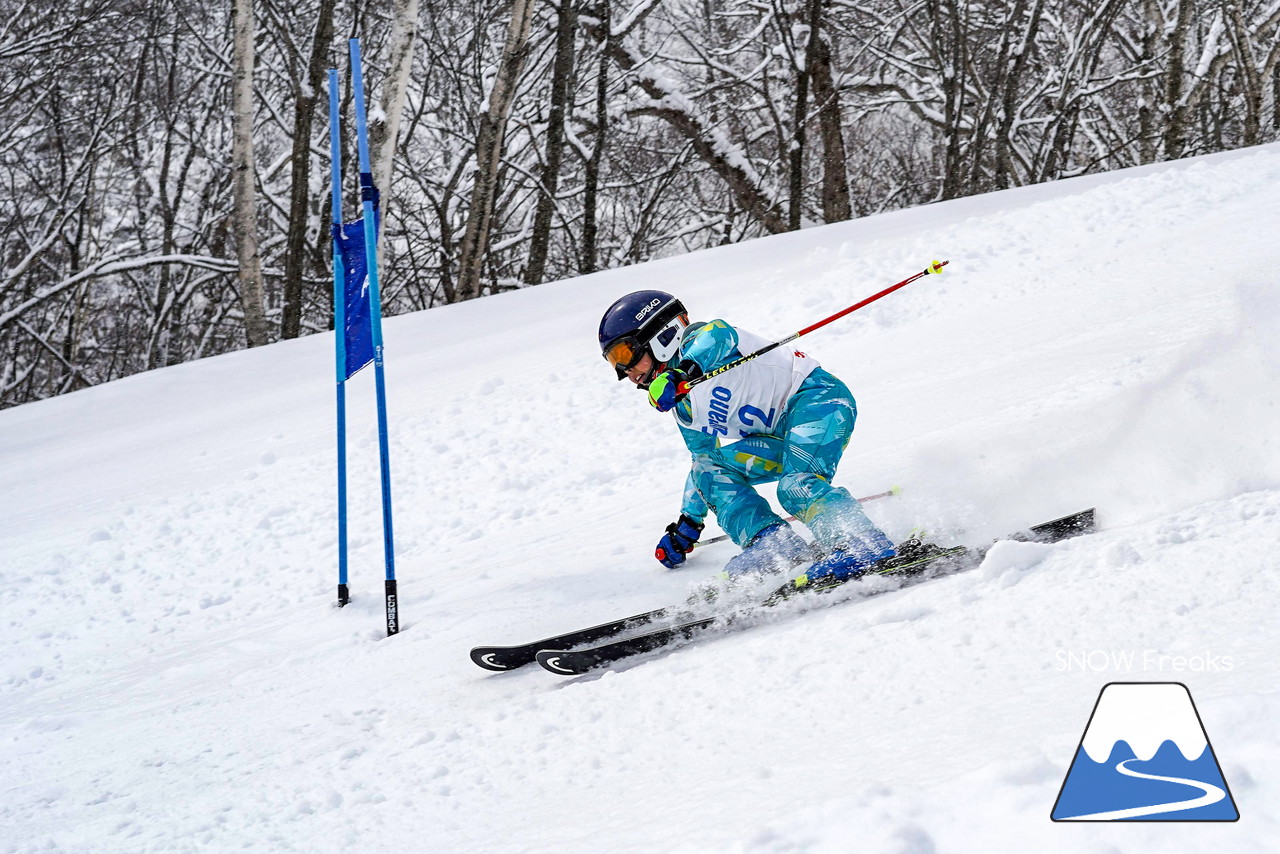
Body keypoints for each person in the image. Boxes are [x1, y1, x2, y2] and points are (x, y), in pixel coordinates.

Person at [598, 289, 897, 584]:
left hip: (819, 402)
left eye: (626, 354)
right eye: (614, 362)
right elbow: (702, 462)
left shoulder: (702, 340)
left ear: (660, 336)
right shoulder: (684, 406)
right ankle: (772, 543)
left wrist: (681, 374)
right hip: (780, 438)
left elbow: (719, 333)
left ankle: (862, 542)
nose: (625, 371)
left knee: (795, 486)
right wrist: (688, 523)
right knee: (709, 469)